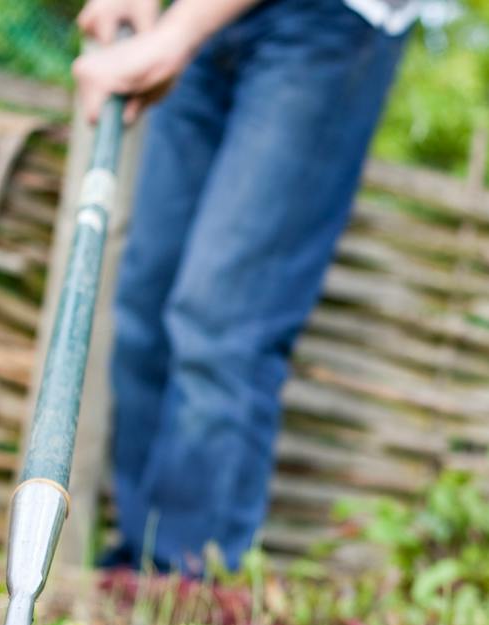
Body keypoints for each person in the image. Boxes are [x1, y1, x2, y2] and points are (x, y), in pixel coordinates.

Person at [71, 0, 414, 575]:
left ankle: (186, 586)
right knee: (145, 307)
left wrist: (178, 32)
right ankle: (137, 567)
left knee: (221, 321)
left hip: (330, 20)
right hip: (207, 18)